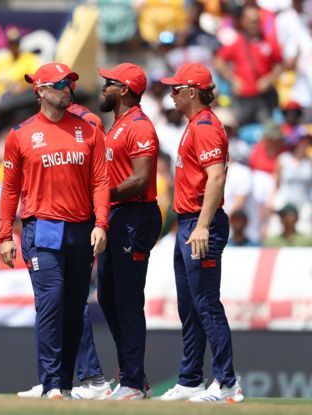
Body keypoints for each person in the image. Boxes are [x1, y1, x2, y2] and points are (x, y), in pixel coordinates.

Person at [0, 62, 110, 399]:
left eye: (70, 83)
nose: (68, 89)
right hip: (42, 227)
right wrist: (4, 235)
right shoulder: (20, 134)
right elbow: (9, 189)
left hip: (81, 229)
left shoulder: (89, 130)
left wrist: (101, 224)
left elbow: (101, 181)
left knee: (76, 305)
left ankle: (62, 383)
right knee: (50, 303)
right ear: (41, 91)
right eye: (61, 84)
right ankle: (50, 384)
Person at [159, 63, 244, 402]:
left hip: (199, 223)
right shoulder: (196, 125)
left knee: (206, 304)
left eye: (176, 89)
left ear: (192, 92)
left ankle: (227, 383)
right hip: (189, 223)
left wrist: (204, 225)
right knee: (191, 307)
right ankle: (191, 378)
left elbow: (217, 178)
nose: (171, 94)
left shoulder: (206, 126)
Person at [93, 63, 162, 400]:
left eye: (108, 82)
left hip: (135, 216)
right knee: (107, 296)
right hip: (118, 217)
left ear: (124, 89)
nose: (102, 87)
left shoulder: (140, 127)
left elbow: (141, 179)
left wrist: (102, 196)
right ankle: (133, 376)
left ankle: (133, 382)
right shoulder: (118, 125)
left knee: (128, 301)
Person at [213, 5, 282, 126]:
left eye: (257, 22)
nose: (255, 25)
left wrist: (269, 79)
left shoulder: (269, 42)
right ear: (243, 22)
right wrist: (232, 79)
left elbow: (280, 65)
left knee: (267, 129)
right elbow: (218, 60)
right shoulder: (237, 42)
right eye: (251, 22)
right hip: (242, 99)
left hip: (263, 98)